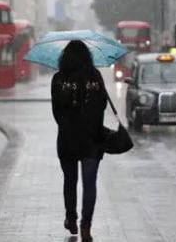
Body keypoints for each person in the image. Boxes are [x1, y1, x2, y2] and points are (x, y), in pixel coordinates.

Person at [51, 40, 108, 241]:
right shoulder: (95, 76)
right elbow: (102, 105)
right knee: (89, 183)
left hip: (67, 139)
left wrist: (69, 123)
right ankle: (86, 225)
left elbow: (56, 112)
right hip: (92, 139)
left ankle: (71, 218)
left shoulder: (58, 79)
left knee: (70, 180)